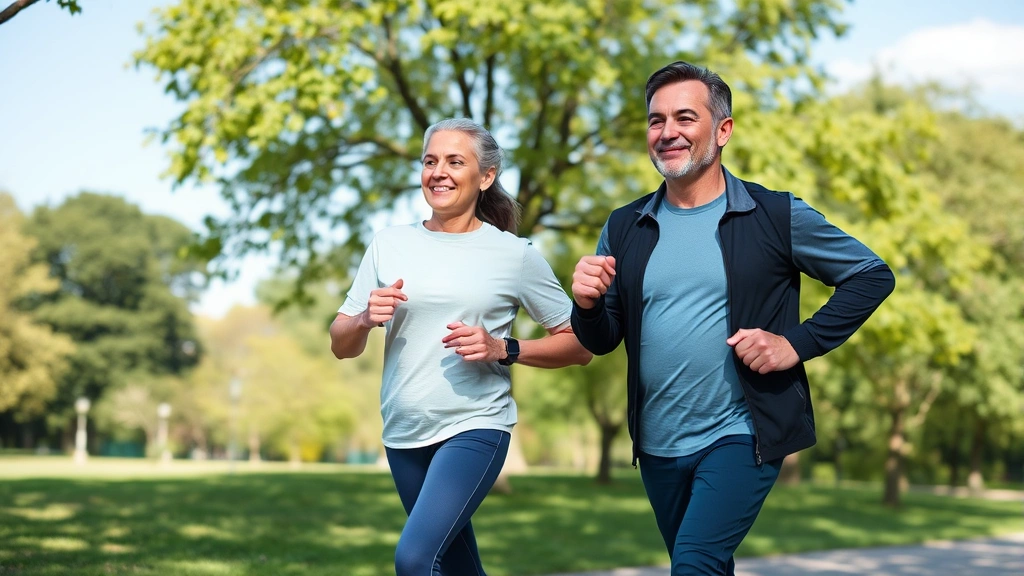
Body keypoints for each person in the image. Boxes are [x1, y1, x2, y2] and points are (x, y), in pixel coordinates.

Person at [570, 61, 895, 575]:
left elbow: (871, 276)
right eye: (656, 121)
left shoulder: (775, 214)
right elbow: (605, 338)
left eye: (684, 117)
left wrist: (796, 344)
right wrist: (585, 304)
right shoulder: (625, 225)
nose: (667, 132)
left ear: (722, 130)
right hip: (657, 442)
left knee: (694, 565)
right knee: (702, 565)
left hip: (744, 431)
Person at [330, 117, 592, 576]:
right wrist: (364, 319)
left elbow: (579, 344)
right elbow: (340, 345)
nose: (439, 172)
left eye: (455, 161)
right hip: (404, 430)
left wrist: (504, 348)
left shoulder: (515, 255)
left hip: (476, 426)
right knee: (457, 567)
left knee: (415, 560)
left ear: (485, 177)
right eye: (430, 161)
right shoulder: (388, 243)